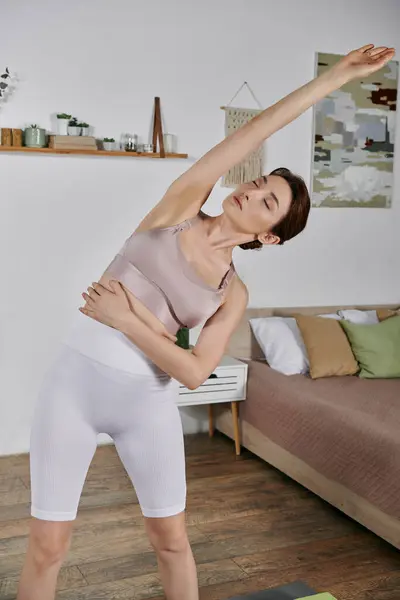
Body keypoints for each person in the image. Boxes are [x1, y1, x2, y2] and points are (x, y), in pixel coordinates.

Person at [17, 44, 394, 600]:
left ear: (269, 236)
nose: (250, 191)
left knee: (171, 543)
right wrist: (335, 77)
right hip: (72, 387)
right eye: (259, 184)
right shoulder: (178, 209)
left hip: (146, 403)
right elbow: (253, 131)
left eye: (266, 203)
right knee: (47, 547)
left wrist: (127, 319)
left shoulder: (233, 292)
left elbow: (194, 374)